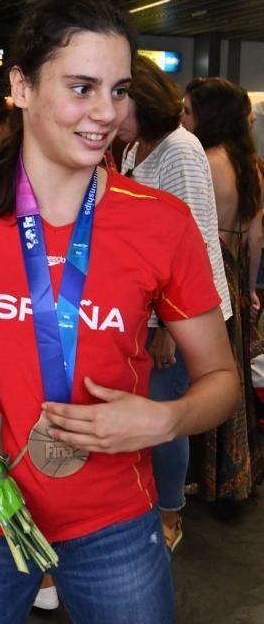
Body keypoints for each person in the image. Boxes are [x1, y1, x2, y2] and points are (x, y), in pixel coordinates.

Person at [0, 0, 238, 624]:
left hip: (113, 522)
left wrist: (163, 420)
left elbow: (220, 380)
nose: (106, 112)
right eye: (81, 88)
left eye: (117, 90)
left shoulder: (158, 221)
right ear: (20, 87)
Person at [117, 54, 231, 550]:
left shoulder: (179, 149)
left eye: (118, 98)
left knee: (167, 414)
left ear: (139, 101)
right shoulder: (134, 148)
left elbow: (196, 239)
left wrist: (169, 325)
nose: (107, 113)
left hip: (182, 313)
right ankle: (147, 503)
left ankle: (169, 512)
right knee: (146, 411)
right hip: (146, 308)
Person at [183, 77, 264, 505]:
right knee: (233, 378)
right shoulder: (252, 165)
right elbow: (255, 238)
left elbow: (196, 233)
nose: (185, 118)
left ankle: (203, 476)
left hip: (209, 277)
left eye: (190, 110)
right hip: (237, 275)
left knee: (206, 374)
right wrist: (251, 291)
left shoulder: (205, 160)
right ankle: (238, 474)